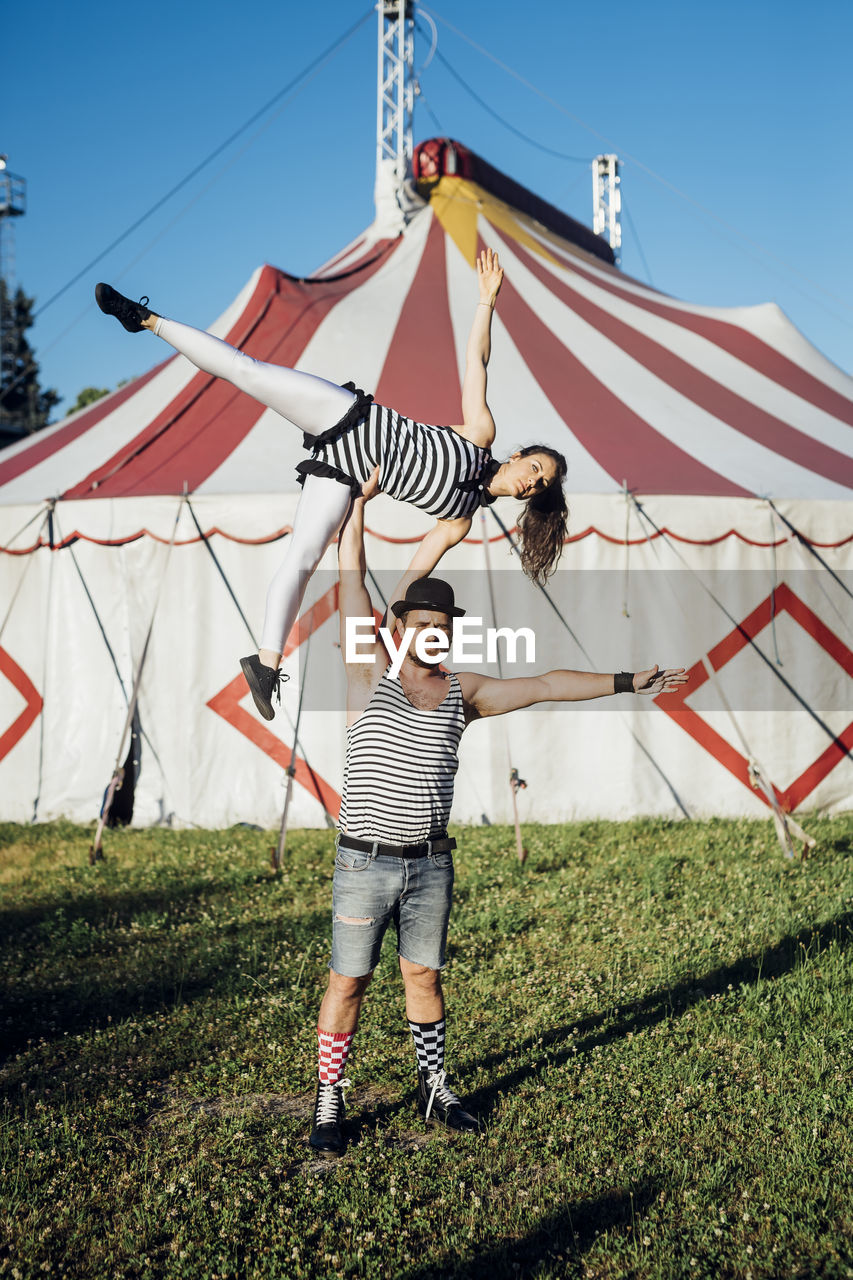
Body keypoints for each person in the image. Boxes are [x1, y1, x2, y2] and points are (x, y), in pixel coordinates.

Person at [308, 472, 687, 1157]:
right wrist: (356, 510)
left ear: (450, 632)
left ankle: (433, 1085)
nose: (427, 633)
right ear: (400, 628)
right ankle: (329, 1099)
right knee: (349, 980)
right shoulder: (368, 671)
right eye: (417, 622)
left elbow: (543, 685)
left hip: (429, 863)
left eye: (439, 625)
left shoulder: (464, 691)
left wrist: (628, 680)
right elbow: (351, 578)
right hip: (362, 859)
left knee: (423, 976)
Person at [94, 250, 568, 721]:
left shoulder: (459, 519)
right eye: (535, 468)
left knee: (303, 556)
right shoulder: (481, 435)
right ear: (518, 456)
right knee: (248, 371)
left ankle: (265, 664)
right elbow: (477, 362)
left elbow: (411, 579)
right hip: (348, 417)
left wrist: (389, 628)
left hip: (346, 478)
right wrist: (486, 301)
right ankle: (146, 320)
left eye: (540, 484)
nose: (533, 481)